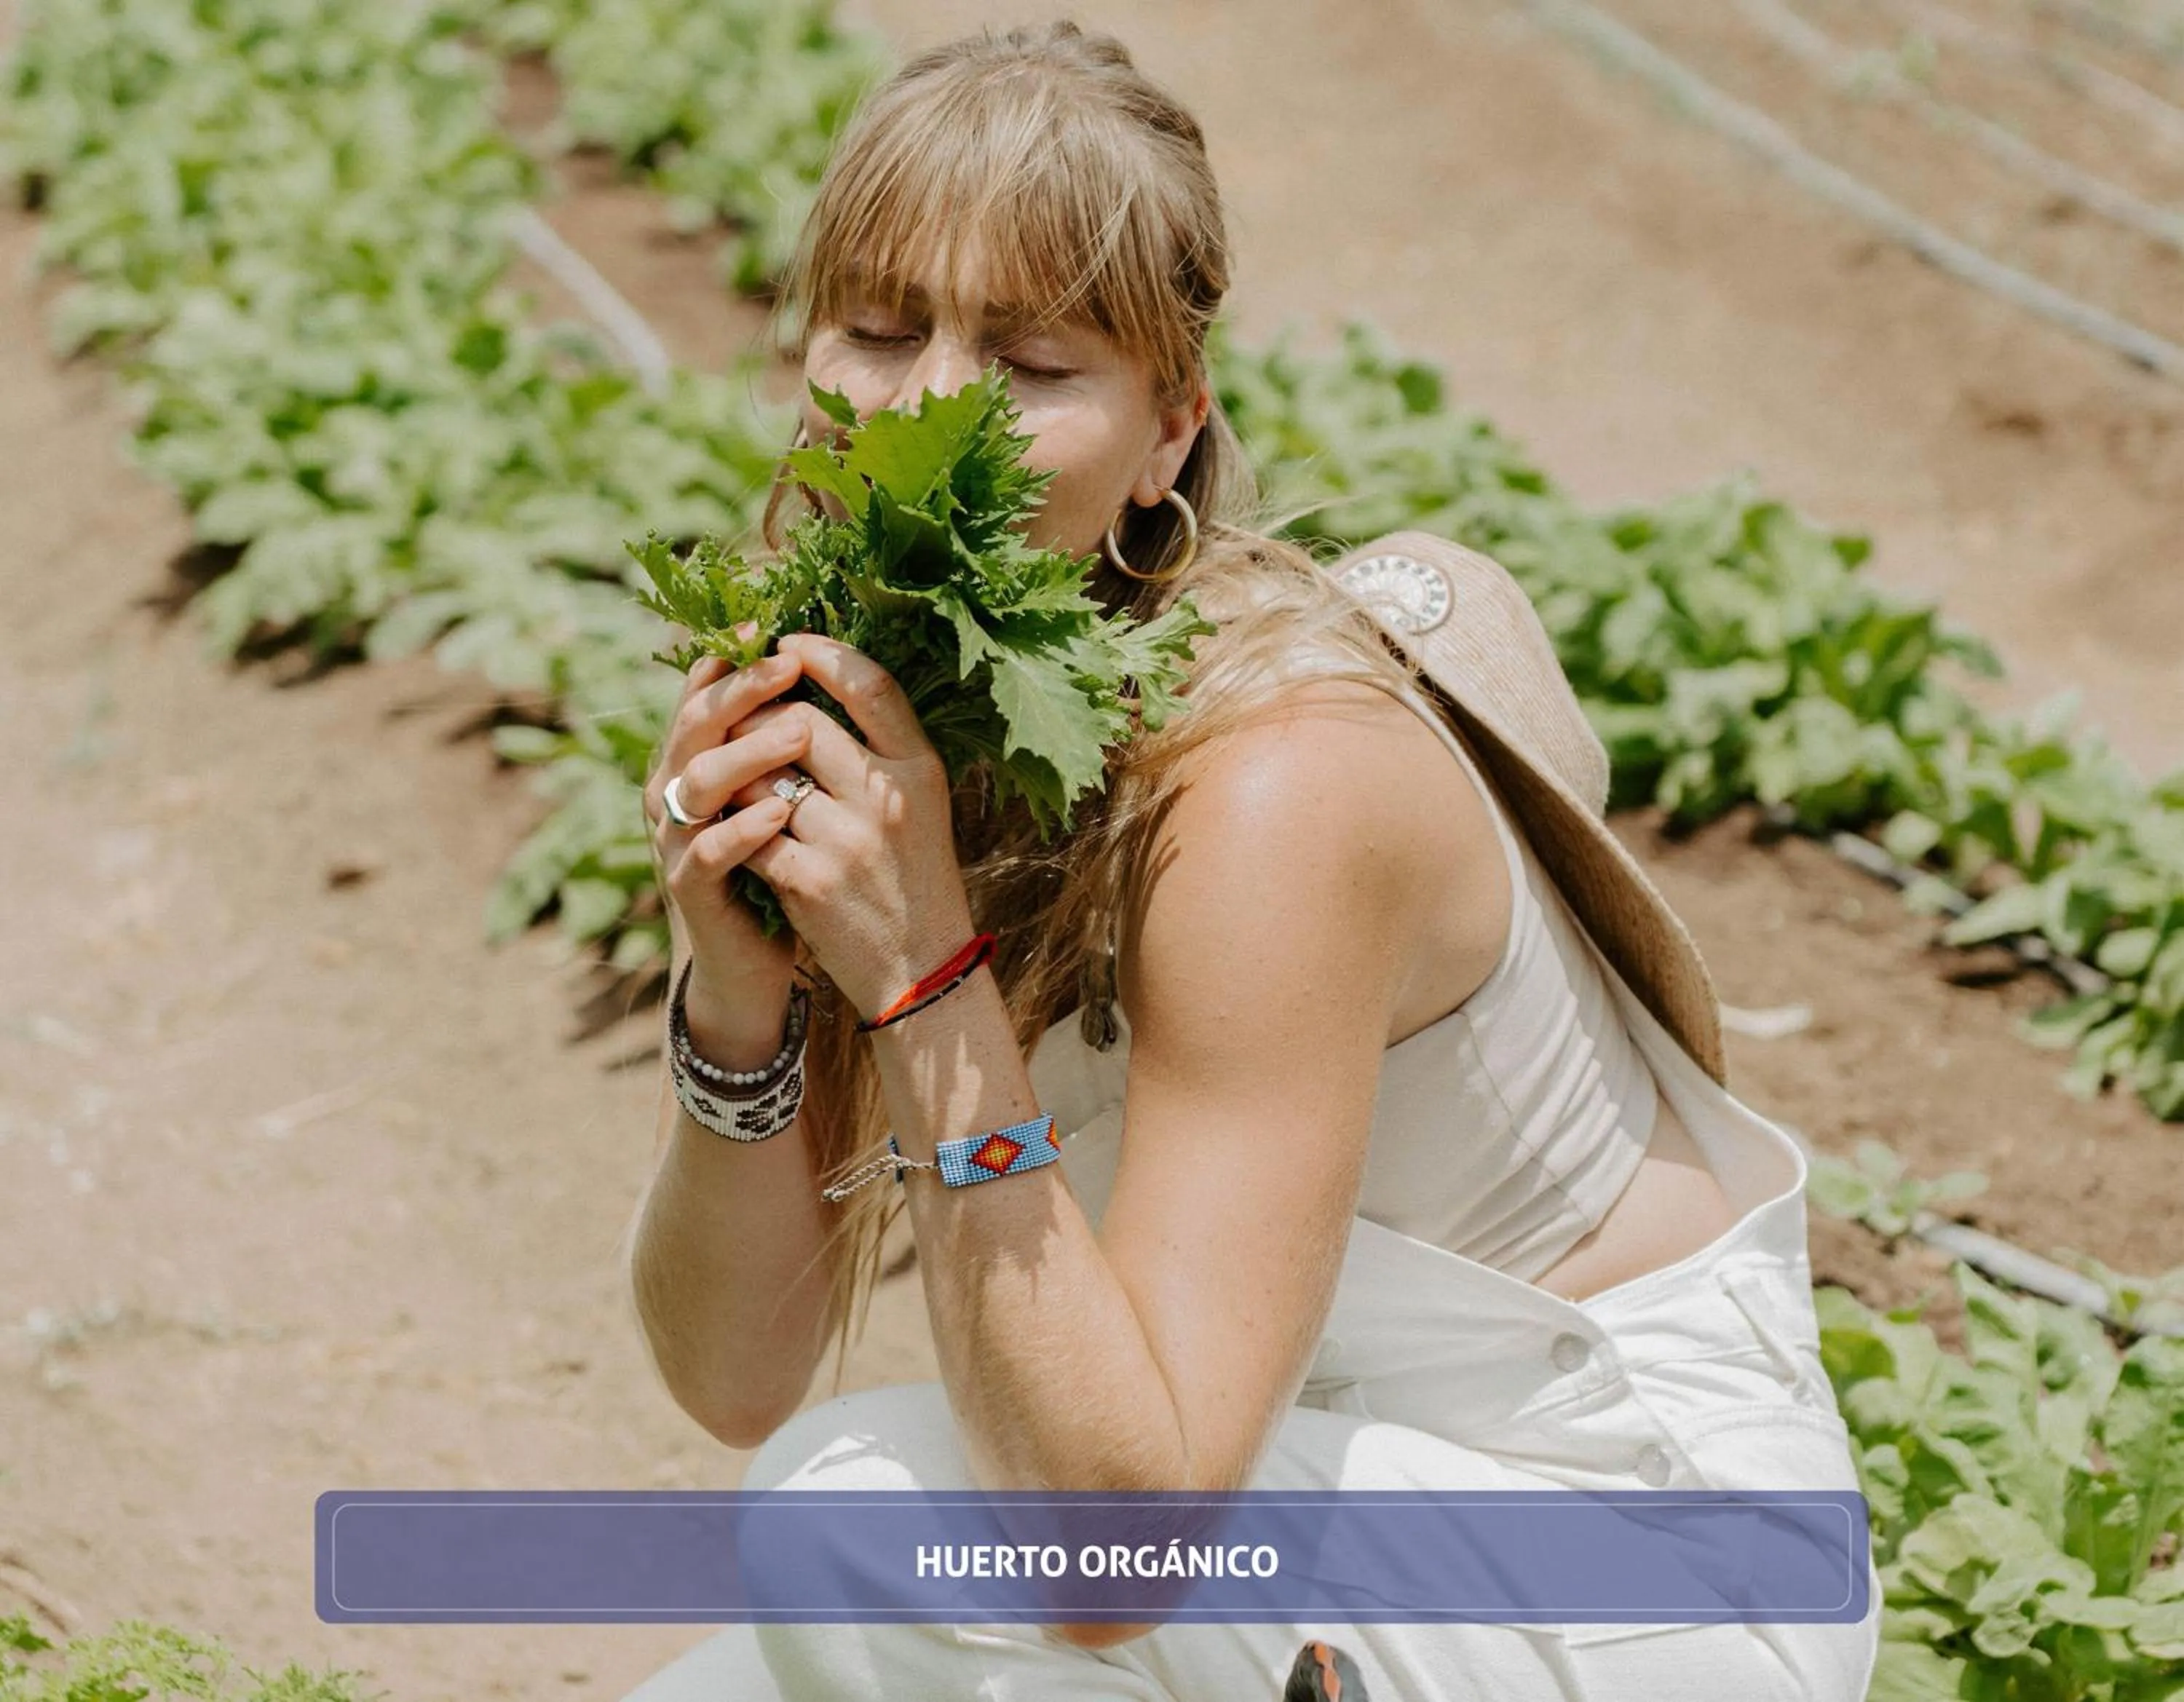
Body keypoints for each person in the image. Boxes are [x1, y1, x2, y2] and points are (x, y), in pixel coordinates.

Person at [621, 19, 1884, 1700]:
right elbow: (734, 1369)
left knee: (857, 1533)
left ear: (1168, 430)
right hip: (1297, 1507)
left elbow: (1108, 1554)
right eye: (877, 326)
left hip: (1635, 1570)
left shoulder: (1276, 786)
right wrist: (743, 989)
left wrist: (923, 973)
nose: (928, 405)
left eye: (1030, 363)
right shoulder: (911, 723)